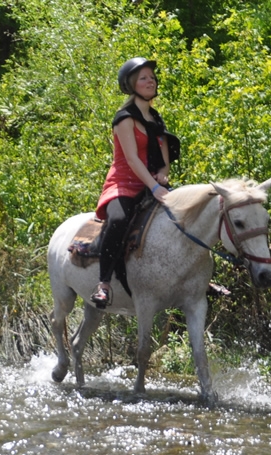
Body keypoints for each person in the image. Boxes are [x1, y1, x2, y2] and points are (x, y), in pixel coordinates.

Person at [89, 57, 177, 308]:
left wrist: (163, 174)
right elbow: (131, 159)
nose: (151, 81)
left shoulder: (156, 119)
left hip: (151, 182)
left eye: (152, 77)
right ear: (131, 84)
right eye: (143, 78)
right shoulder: (124, 117)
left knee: (187, 214)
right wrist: (155, 186)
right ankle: (103, 283)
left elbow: (164, 158)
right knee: (117, 221)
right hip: (124, 183)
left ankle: (191, 278)